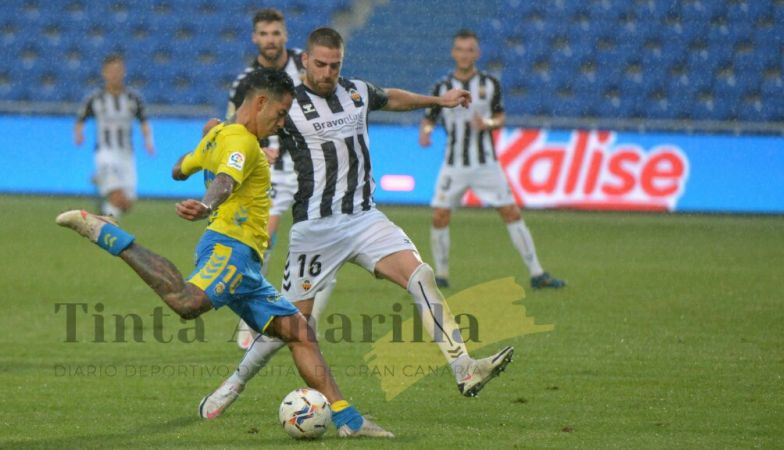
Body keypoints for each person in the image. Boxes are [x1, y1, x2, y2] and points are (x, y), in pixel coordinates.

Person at [57, 68, 393, 438]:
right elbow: (226, 180)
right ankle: (110, 234)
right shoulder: (242, 142)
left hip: (245, 261)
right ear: (261, 102)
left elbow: (177, 169)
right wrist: (207, 203)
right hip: (229, 247)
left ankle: (349, 421)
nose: (282, 123)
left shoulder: (220, 136)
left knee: (299, 332)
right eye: (280, 114)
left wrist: (208, 148)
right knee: (187, 303)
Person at [198, 27, 515, 420]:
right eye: (320, 64)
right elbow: (244, 125)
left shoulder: (355, 92)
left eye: (335, 65)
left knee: (422, 276)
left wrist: (439, 100)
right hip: (315, 228)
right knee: (293, 322)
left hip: (365, 218)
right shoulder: (289, 104)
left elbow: (392, 97)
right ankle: (235, 382)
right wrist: (216, 130)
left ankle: (463, 367)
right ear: (306, 62)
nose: (328, 72)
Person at [419, 29, 565, 290]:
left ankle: (537, 273)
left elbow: (500, 118)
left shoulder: (490, 84)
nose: (465, 54)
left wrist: (485, 123)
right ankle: (440, 275)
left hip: (486, 163)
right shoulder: (441, 87)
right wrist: (426, 133)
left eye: (470, 49)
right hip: (453, 164)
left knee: (510, 212)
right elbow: (429, 118)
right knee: (440, 216)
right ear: (454, 52)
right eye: (460, 49)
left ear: (477, 53)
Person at [226, 8, 337, 350]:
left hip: (309, 172)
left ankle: (307, 316)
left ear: (285, 36)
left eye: (276, 33)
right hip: (268, 175)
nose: (270, 40)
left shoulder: (306, 74)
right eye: (264, 34)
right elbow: (234, 126)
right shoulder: (244, 82)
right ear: (254, 38)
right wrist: (258, 145)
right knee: (263, 243)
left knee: (324, 243)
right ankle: (252, 318)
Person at [74, 54, 155, 219]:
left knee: (127, 203)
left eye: (118, 70)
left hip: (126, 153)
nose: (115, 74)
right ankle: (104, 178)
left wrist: (148, 141)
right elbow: (81, 119)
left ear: (123, 72)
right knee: (117, 196)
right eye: (111, 70)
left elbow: (143, 121)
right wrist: (79, 134)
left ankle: (99, 217)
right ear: (104, 73)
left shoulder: (133, 99)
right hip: (105, 152)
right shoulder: (95, 99)